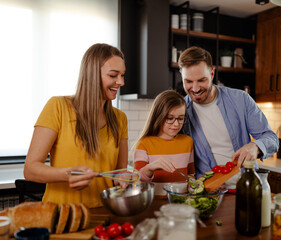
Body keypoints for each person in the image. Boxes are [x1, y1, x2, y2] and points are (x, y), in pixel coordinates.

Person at [24, 43, 128, 208]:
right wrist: (67, 175)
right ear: (92, 75)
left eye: (122, 75)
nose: (121, 82)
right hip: (60, 213)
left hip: (103, 212)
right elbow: (30, 170)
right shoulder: (58, 107)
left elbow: (119, 171)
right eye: (113, 75)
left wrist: (123, 177)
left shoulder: (120, 118)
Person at [178, 46, 278, 189]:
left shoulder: (240, 99)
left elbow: (272, 139)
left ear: (212, 73)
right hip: (209, 194)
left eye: (201, 80)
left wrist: (256, 146)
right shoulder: (181, 112)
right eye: (188, 81)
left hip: (248, 188)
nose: (195, 88)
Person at [133, 90, 194, 184]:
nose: (176, 124)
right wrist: (149, 168)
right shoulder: (144, 143)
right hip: (154, 198)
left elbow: (191, 176)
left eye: (181, 118)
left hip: (182, 198)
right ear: (158, 117)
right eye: (170, 118)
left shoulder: (187, 142)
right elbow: (136, 180)